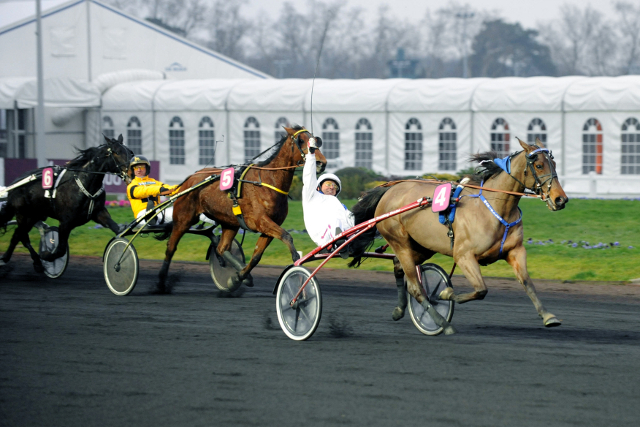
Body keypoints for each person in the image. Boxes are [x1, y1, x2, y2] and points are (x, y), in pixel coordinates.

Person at [127, 156, 215, 226]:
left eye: (141, 167)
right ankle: (150, 218)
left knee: (191, 209)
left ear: (146, 168)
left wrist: (188, 186)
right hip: (142, 215)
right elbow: (144, 191)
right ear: (132, 170)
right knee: (152, 213)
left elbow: (171, 189)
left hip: (159, 212)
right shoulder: (131, 186)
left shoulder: (154, 182)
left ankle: (218, 221)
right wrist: (160, 190)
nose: (139, 169)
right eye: (136, 167)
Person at [302, 140, 354, 247]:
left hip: (345, 236)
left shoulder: (339, 204)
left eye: (335, 186)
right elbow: (309, 176)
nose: (332, 187)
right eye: (329, 184)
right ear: (319, 186)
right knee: (335, 221)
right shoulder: (311, 195)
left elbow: (351, 221)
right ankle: (339, 242)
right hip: (324, 236)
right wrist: (311, 155)